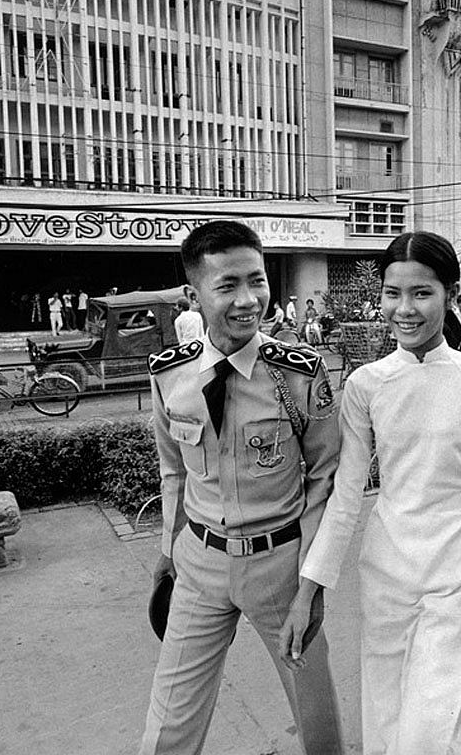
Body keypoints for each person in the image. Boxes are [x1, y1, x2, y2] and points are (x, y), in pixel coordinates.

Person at [278, 230, 461, 755]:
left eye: (422, 293)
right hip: (386, 572)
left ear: (451, 294)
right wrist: (308, 589)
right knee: (390, 710)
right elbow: (344, 497)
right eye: (392, 293)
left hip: (460, 567)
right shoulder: (366, 385)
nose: (404, 309)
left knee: (431, 718)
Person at [140, 220, 343, 755]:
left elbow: (326, 480)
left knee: (315, 713)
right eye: (227, 285)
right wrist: (167, 551)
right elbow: (173, 471)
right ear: (194, 295)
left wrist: (311, 583)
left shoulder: (297, 374)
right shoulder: (169, 375)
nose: (248, 299)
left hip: (280, 563)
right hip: (198, 562)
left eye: (256, 281)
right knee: (169, 717)